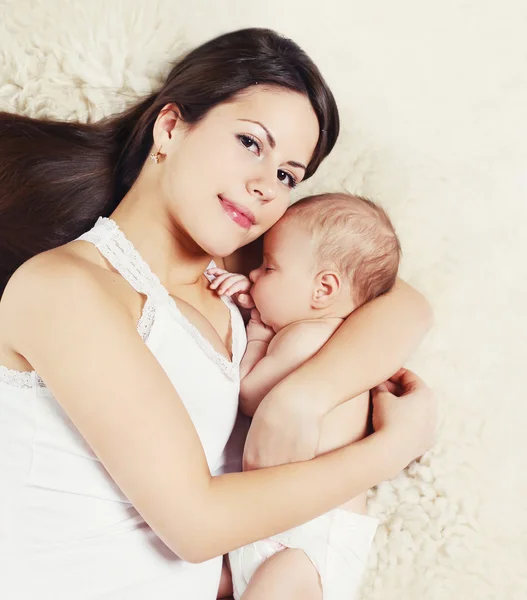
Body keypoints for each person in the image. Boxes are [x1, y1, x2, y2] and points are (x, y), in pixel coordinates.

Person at [0, 28, 435, 599]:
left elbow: (400, 301)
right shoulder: (65, 287)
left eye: (287, 176)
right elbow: (195, 526)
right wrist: (390, 450)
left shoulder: (250, 277)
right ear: (172, 127)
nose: (263, 187)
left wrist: (305, 395)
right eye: (251, 143)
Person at [208, 192, 402, 599]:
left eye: (269, 267)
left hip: (311, 536)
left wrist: (257, 326)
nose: (256, 276)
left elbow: (246, 393)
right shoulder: (330, 339)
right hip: (282, 526)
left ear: (323, 289)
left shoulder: (306, 338)